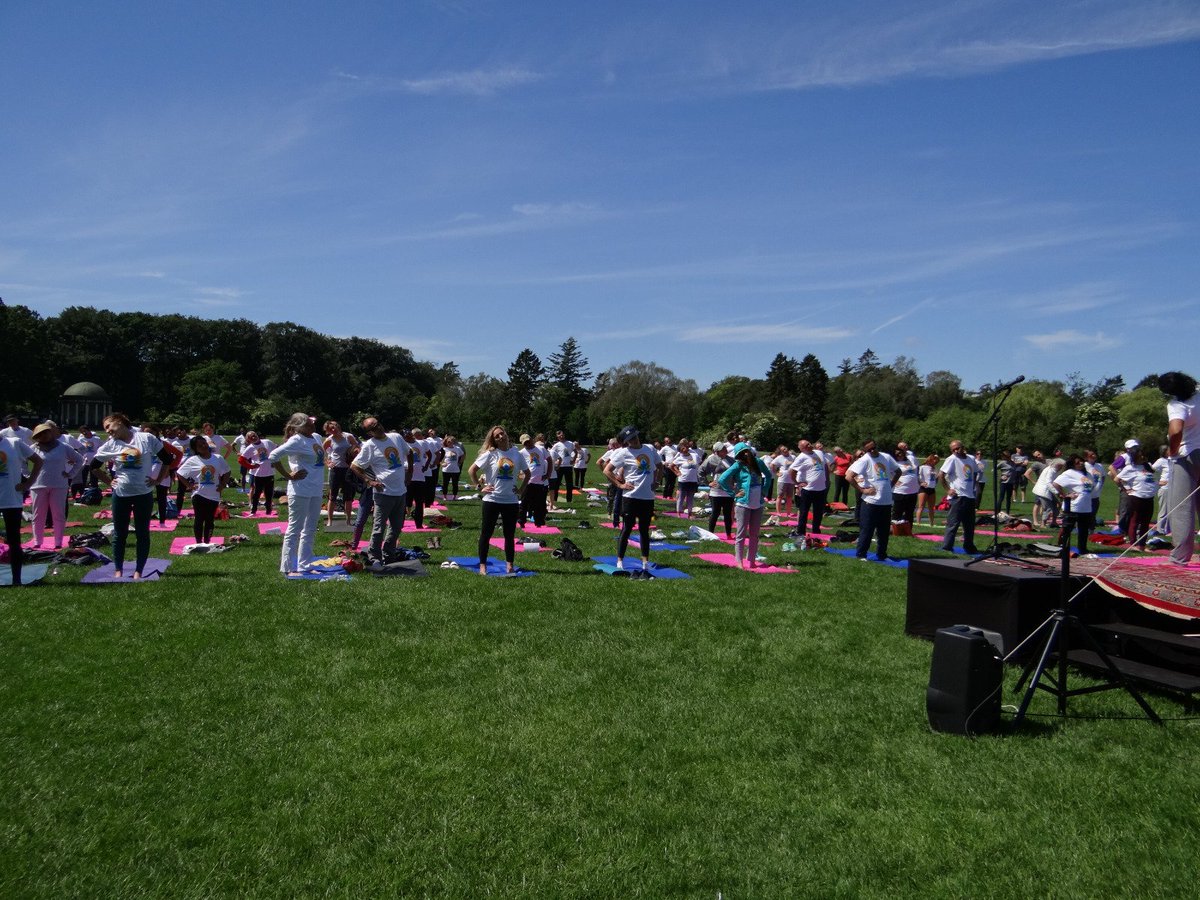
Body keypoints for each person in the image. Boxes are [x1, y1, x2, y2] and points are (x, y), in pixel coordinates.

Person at [92, 413, 175, 579]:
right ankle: (118, 569)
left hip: (143, 494)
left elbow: (167, 459)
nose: (107, 431)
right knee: (119, 533)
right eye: (105, 428)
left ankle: (139, 570)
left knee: (142, 533)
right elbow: (93, 466)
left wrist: (158, 480)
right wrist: (109, 482)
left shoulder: (146, 438)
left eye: (108, 426)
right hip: (121, 494)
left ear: (120, 422)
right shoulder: (111, 444)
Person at [268, 413, 326, 576]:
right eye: (309, 423)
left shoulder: (316, 437)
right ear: (300, 426)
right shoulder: (296, 440)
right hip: (300, 489)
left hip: (316, 489)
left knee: (310, 529)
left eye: (312, 422)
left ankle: (304, 564)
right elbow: (273, 456)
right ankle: (287, 567)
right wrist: (288, 475)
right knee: (295, 529)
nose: (313, 424)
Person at [468, 425, 529, 575]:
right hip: (492, 500)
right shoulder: (491, 454)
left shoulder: (516, 454)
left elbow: (527, 473)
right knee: (486, 534)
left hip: (511, 501)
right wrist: (480, 487)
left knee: (509, 535)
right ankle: (483, 565)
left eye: (502, 433)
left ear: (506, 434)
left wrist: (521, 490)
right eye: (497, 436)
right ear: (494, 440)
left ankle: (510, 565)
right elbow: (472, 470)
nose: (501, 437)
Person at [603, 425, 662, 578]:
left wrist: (657, 481)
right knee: (627, 528)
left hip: (647, 497)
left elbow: (660, 466)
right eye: (630, 439)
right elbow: (607, 470)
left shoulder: (650, 449)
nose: (634, 440)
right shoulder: (623, 453)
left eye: (635, 437)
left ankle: (645, 562)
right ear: (626, 441)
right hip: (630, 497)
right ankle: (620, 561)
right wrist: (620, 485)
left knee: (644, 530)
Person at [350, 418, 412, 563]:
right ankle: (374, 556)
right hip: (383, 493)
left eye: (377, 424)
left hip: (400, 491)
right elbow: (355, 466)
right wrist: (369, 481)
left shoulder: (396, 437)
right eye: (373, 427)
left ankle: (389, 555)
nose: (377, 427)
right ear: (369, 433)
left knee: (396, 527)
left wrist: (410, 472)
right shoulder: (370, 445)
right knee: (379, 528)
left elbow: (409, 452)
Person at [1159, 371, 1200, 566]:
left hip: (1187, 455)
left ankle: (1179, 557)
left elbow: (1176, 430)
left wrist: (1173, 450)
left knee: (1182, 507)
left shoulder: (1177, 405)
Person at [718, 442, 774, 569]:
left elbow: (768, 475)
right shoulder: (738, 465)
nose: (746, 454)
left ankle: (752, 560)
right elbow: (722, 479)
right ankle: (739, 561)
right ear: (739, 455)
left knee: (754, 534)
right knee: (741, 533)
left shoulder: (758, 462)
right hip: (743, 502)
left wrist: (764, 490)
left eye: (746, 451)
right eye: (742, 453)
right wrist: (733, 493)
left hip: (758, 502)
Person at [28, 423, 81, 550]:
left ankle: (58, 541)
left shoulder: (63, 447)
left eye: (45, 432)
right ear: (36, 436)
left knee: (58, 514)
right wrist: (27, 476)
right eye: (40, 434)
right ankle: (37, 541)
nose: (43, 436)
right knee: (38, 515)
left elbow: (79, 460)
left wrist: (70, 474)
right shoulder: (32, 448)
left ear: (51, 432)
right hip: (37, 485)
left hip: (59, 485)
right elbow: (21, 462)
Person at [847, 439, 900, 561]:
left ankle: (882, 554)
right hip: (870, 501)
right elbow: (848, 476)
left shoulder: (886, 457)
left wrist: (891, 484)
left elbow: (898, 471)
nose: (872, 451)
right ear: (865, 451)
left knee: (884, 531)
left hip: (886, 501)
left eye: (873, 448)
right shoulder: (865, 460)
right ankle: (861, 554)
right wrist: (863, 490)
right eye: (869, 450)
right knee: (867, 529)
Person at [0, 429, 41, 586]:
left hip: (11, 499)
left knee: (14, 541)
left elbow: (38, 461)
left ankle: (16, 579)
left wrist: (28, 483)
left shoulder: (14, 443)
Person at [176, 435, 231, 545]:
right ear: (196, 449)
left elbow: (227, 471)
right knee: (199, 519)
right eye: (199, 445)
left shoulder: (218, 458)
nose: (203, 446)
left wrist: (223, 484)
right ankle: (198, 542)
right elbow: (180, 473)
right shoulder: (193, 460)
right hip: (199, 495)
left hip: (214, 495)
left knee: (210, 520)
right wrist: (189, 486)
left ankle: (207, 542)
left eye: (204, 443)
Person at [938, 441, 980, 554]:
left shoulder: (971, 458)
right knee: (953, 523)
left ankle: (969, 546)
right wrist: (948, 489)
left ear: (963, 447)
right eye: (953, 449)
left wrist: (973, 486)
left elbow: (975, 472)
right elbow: (941, 474)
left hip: (969, 495)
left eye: (958, 448)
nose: (956, 451)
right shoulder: (952, 459)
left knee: (969, 524)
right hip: (958, 496)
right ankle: (947, 546)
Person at [789, 440, 829, 548]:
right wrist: (797, 483)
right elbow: (791, 471)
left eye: (809, 443)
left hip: (821, 489)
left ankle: (816, 532)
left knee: (818, 512)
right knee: (804, 512)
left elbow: (825, 466)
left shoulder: (819, 453)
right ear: (802, 449)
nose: (809, 445)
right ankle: (801, 533)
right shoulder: (801, 457)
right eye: (806, 445)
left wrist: (826, 479)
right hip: (808, 489)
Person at [1053, 454, 1095, 555]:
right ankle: (1062, 546)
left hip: (1086, 506)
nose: (1080, 463)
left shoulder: (1087, 474)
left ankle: (1082, 549)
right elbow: (1056, 483)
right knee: (1068, 528)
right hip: (1073, 506)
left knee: (1084, 530)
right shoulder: (1069, 473)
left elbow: (1091, 486)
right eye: (1077, 462)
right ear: (1072, 464)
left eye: (1081, 461)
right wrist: (1065, 495)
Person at [1116, 449, 1157, 546]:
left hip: (1149, 497)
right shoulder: (1130, 468)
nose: (1142, 457)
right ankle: (1133, 543)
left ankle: (1142, 543)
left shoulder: (1147, 466)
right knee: (1135, 520)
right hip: (1137, 497)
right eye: (1140, 455)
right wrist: (1126, 489)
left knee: (1146, 522)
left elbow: (1152, 479)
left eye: (1143, 455)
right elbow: (1117, 479)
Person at [322, 420, 360, 527]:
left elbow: (357, 448)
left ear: (338, 426)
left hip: (348, 469)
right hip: (335, 470)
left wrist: (354, 454)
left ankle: (348, 521)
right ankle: (330, 521)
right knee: (332, 496)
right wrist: (327, 462)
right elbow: (320, 451)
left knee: (348, 496)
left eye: (334, 427)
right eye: (330, 429)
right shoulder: (330, 440)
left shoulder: (348, 437)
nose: (333, 429)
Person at [700, 442, 734, 539]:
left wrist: (736, 483)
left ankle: (729, 534)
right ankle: (710, 534)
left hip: (729, 491)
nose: (725, 450)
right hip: (716, 491)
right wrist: (707, 483)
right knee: (715, 513)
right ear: (717, 451)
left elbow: (737, 473)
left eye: (725, 448)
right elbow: (701, 471)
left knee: (728, 514)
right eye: (722, 449)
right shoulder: (711, 459)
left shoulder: (731, 460)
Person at [240, 431, 277, 515]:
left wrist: (274, 460)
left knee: (269, 493)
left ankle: (269, 510)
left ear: (257, 435)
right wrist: (251, 466)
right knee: (257, 493)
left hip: (270, 473)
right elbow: (241, 460)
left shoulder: (267, 442)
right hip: (258, 474)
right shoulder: (250, 448)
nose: (253, 437)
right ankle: (253, 510)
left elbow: (277, 449)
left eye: (254, 435)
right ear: (248, 440)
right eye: (251, 437)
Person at [518, 433, 550, 527]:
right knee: (524, 503)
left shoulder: (541, 449)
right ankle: (521, 520)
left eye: (528, 441)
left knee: (539, 504)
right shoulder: (521, 453)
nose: (528, 444)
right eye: (525, 443)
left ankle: (539, 522)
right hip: (528, 482)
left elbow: (549, 460)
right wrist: (520, 475)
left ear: (531, 439)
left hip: (540, 482)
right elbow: (517, 466)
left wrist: (548, 474)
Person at [671, 438, 700, 517]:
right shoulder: (680, 458)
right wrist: (677, 472)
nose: (685, 450)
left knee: (690, 498)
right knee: (681, 497)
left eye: (685, 448)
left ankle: (690, 513)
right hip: (683, 480)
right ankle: (678, 513)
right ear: (680, 451)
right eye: (682, 449)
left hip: (693, 480)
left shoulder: (694, 455)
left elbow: (698, 463)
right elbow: (672, 466)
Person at [549, 430, 575, 507]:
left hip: (568, 466)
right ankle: (555, 500)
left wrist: (573, 460)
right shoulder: (556, 445)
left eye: (562, 435)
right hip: (559, 467)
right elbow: (551, 453)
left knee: (569, 484)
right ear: (557, 437)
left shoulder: (570, 443)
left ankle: (569, 500)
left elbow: (576, 451)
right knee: (556, 484)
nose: (561, 436)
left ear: (564, 435)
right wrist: (556, 462)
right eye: (559, 436)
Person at [915, 454, 939, 527]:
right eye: (935, 460)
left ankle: (931, 523)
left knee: (931, 507)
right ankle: (918, 523)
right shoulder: (923, 467)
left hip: (932, 489)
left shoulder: (935, 468)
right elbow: (917, 477)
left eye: (937, 461)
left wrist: (935, 482)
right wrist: (921, 483)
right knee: (921, 506)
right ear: (930, 460)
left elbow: (936, 478)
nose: (936, 462)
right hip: (924, 489)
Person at [440, 435, 464, 501]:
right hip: (446, 470)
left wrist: (459, 463)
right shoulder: (444, 449)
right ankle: (444, 496)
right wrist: (442, 464)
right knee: (445, 484)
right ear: (446, 442)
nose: (450, 443)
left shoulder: (457, 448)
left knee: (455, 484)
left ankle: (454, 496)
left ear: (453, 442)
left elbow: (463, 455)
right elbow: (439, 459)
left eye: (451, 441)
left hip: (455, 470)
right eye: (448, 442)